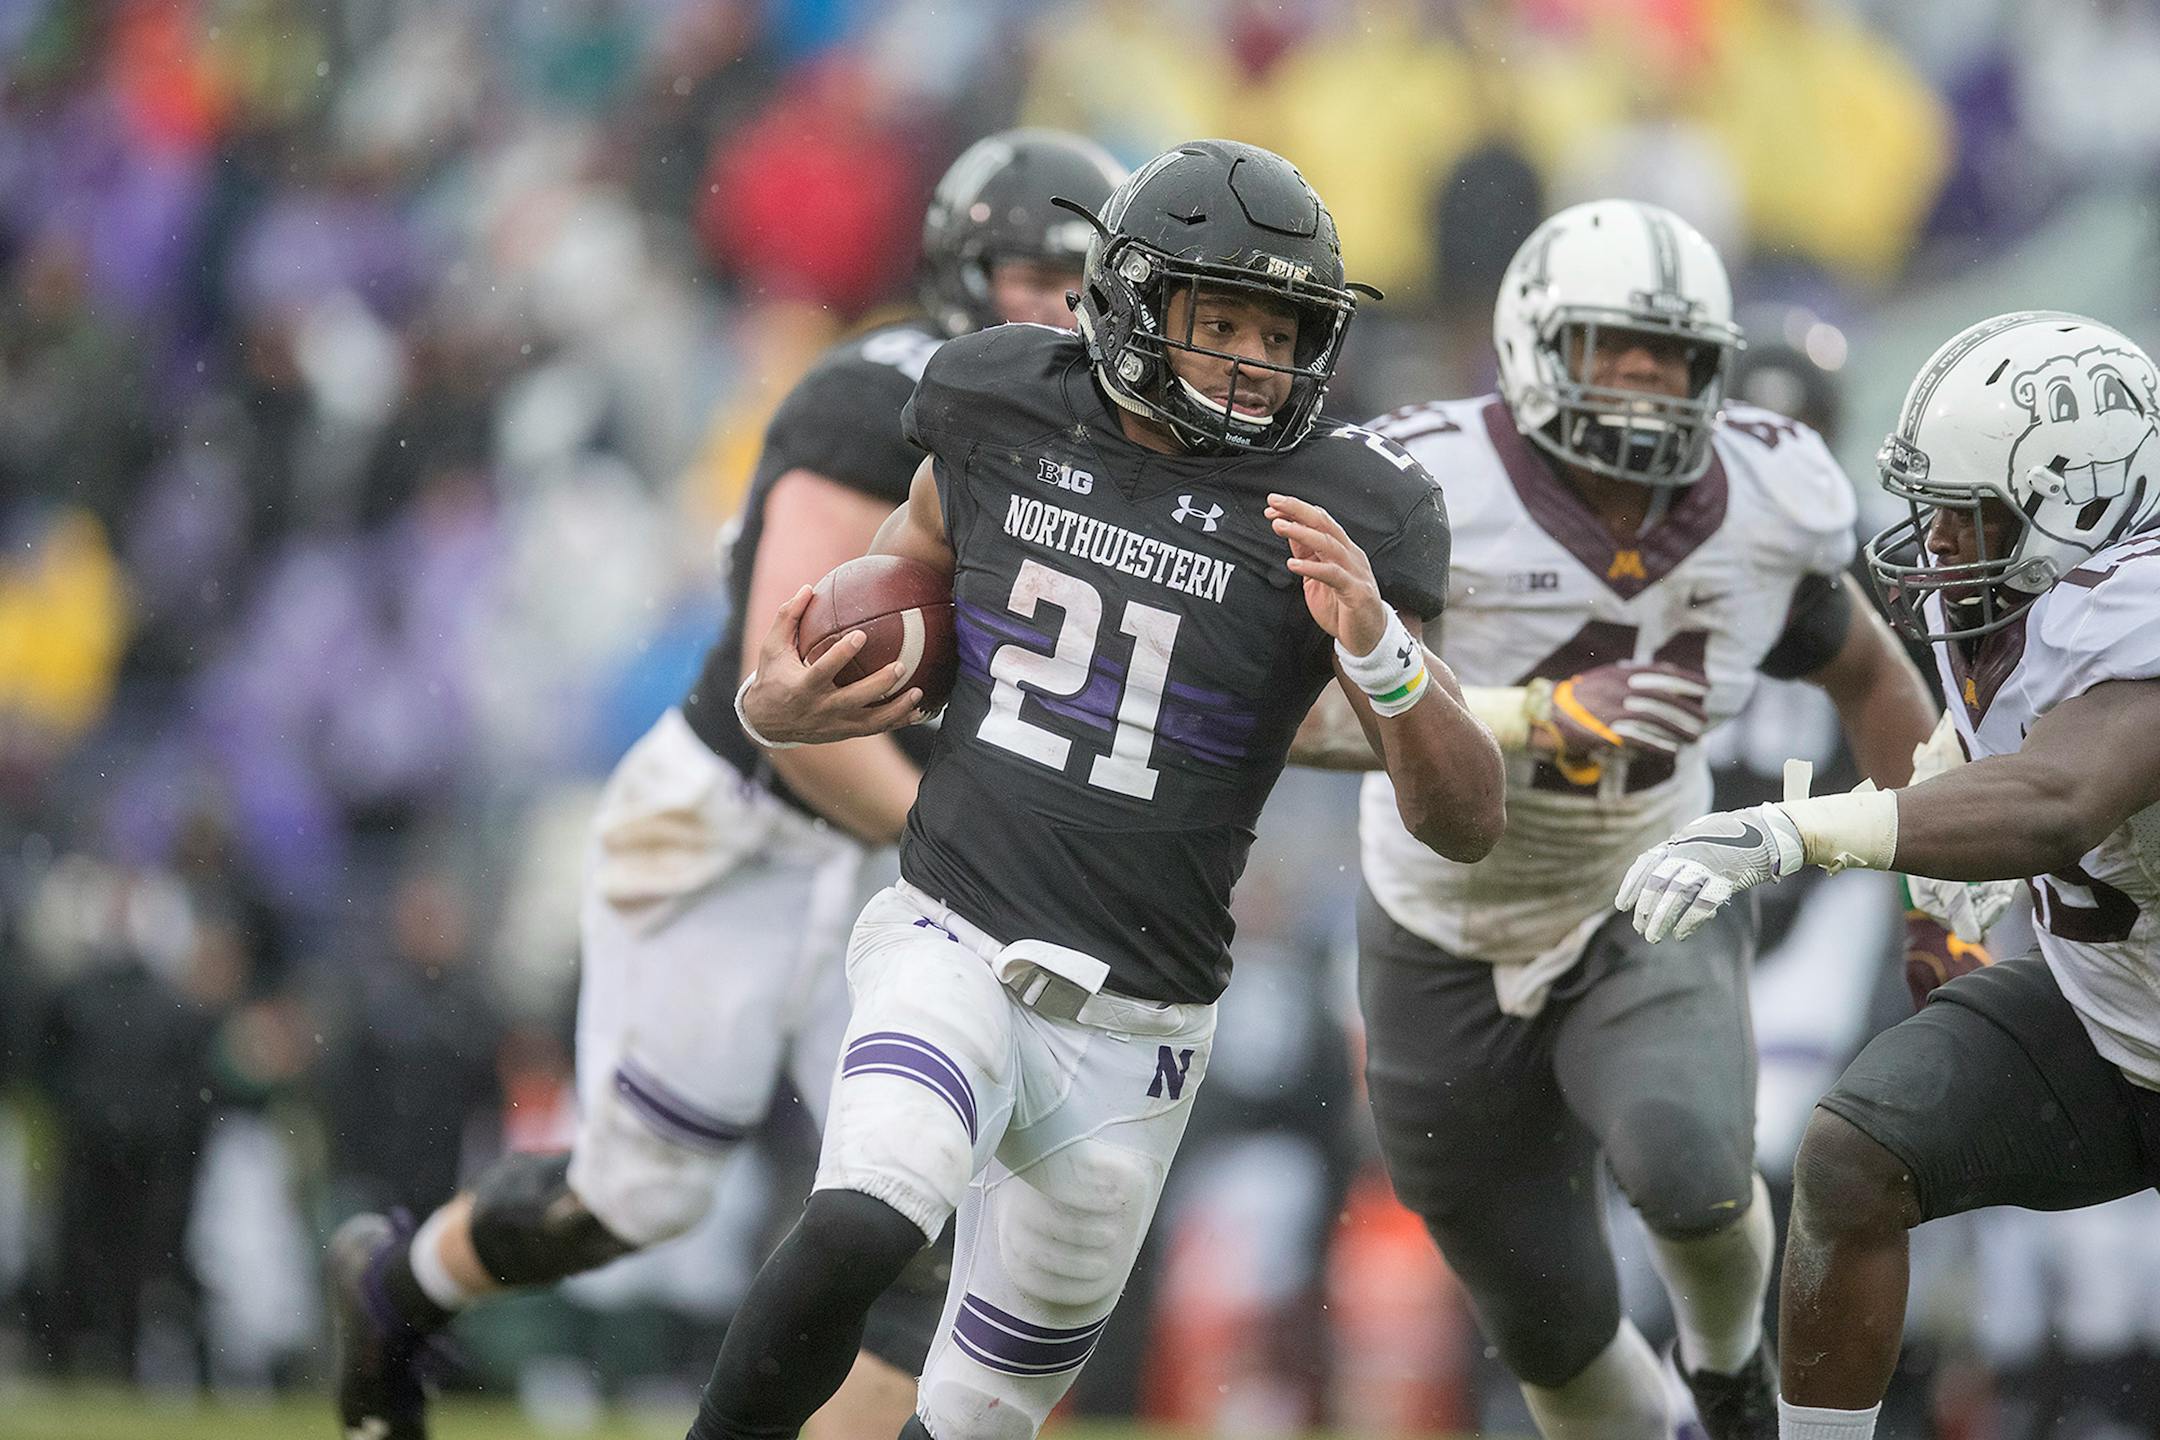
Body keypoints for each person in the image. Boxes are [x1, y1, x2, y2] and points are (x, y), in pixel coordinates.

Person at [688, 137, 1507, 1440]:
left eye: (1279, 327)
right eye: (1217, 318)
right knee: (862, 1218)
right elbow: (904, 577)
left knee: (979, 1415)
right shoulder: (997, 398)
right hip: (952, 929)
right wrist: (778, 704)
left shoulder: (1358, 507)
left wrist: (1384, 654)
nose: (1252, 356)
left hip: (1140, 1027)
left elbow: (1466, 821)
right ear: (1131, 305)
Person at [326, 128, 1127, 1440]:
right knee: (638, 1200)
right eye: (1029, 273)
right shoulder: (879, 396)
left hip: (896, 870)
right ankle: (397, 1289)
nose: (1051, 307)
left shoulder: (1095, 450)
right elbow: (793, 700)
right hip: (738, 832)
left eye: (1080, 282)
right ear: (958, 270)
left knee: (927, 1213)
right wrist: (976, 850)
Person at [1302, 200, 1936, 1440]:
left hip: (1643, 881)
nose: (1646, 386)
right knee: (1551, 1325)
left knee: (1692, 1169)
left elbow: (1866, 671)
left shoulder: (1768, 489)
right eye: (1614, 350)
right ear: (1539, 346)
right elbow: (1303, 722)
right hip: (1437, 928)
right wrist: (1535, 715)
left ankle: (1734, 1377)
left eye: (1674, 358)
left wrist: (1947, 875)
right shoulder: (1420, 481)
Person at [1617, 310, 2160, 1440]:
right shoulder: (2014, 603)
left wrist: (1798, 831)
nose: (1936, 546)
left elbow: (2061, 799)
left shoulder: (2139, 604)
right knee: (1855, 1159)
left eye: (1967, 522)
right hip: (2115, 1025)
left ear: (2088, 501)